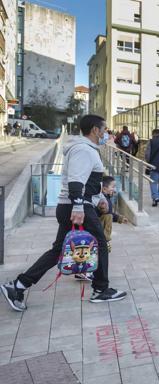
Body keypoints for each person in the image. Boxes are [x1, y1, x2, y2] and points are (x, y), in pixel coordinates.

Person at [1, 115, 127, 312]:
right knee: (100, 243)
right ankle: (101, 289)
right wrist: (78, 207)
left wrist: (98, 197)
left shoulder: (87, 150)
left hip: (77, 204)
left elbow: (86, 182)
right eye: (104, 130)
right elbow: (76, 181)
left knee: (58, 250)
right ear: (95, 130)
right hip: (77, 206)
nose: (106, 134)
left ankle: (18, 286)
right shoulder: (83, 150)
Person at [97, 175, 128, 255]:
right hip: (101, 236)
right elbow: (104, 215)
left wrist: (119, 218)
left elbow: (109, 214)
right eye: (113, 187)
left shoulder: (106, 198)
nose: (114, 189)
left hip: (104, 235)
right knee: (102, 255)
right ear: (104, 189)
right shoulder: (102, 201)